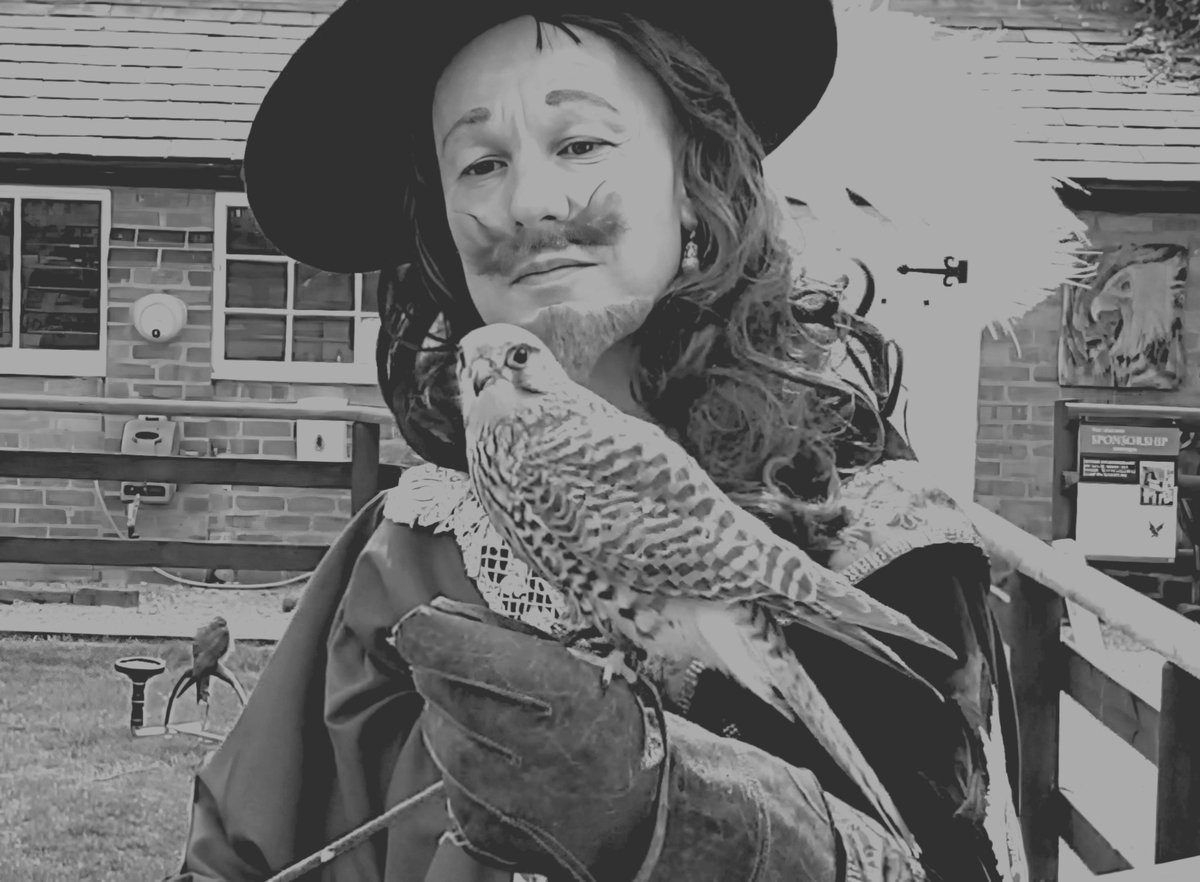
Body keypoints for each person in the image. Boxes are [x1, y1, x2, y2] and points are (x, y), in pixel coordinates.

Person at [168, 3, 1051, 880]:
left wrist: (708, 828)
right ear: (439, 222)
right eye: (479, 163)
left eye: (581, 144)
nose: (532, 203)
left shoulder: (874, 531)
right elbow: (242, 854)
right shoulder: (405, 547)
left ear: (693, 178)